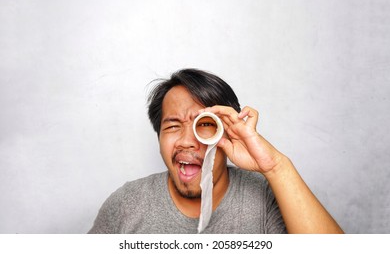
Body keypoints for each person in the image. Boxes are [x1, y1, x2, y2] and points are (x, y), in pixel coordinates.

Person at [88, 68, 343, 234]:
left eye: (205, 124)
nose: (187, 141)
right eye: (173, 125)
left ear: (228, 132)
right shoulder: (126, 205)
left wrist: (275, 167)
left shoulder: (265, 196)